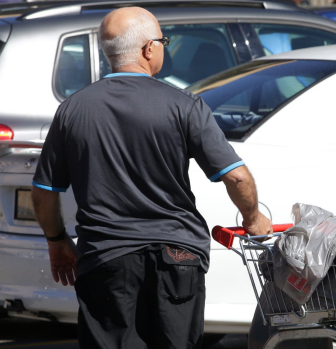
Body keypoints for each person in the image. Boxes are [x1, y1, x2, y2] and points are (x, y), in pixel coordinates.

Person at [30, 7, 272, 349]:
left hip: (105, 259)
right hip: (178, 258)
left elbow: (43, 192)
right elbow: (238, 180)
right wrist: (253, 218)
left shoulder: (73, 109)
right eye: (163, 41)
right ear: (148, 48)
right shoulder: (184, 105)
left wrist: (57, 242)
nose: (164, 47)